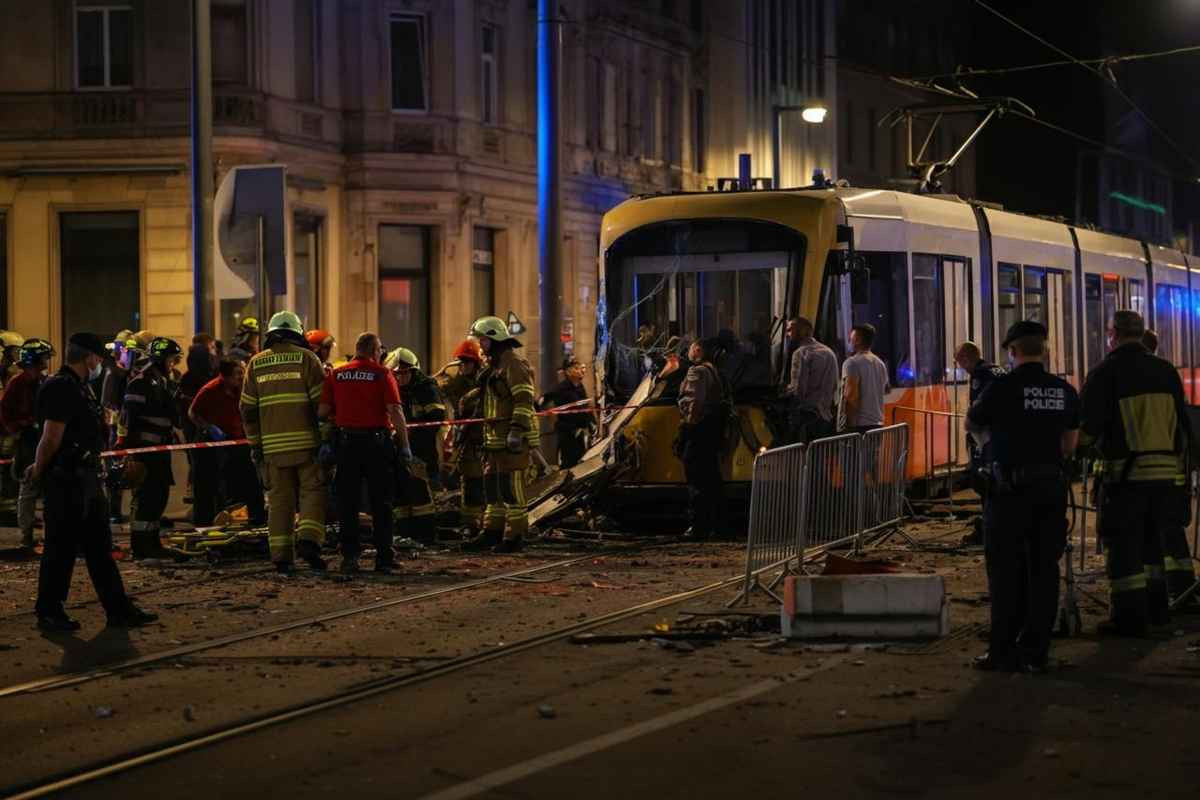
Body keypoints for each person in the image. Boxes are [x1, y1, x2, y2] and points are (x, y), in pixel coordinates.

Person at [966, 320, 1079, 672]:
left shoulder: (1001, 388)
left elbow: (972, 422)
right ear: (1045, 351)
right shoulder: (1064, 391)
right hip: (1049, 489)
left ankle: (1002, 650)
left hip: (1008, 491)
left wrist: (991, 450)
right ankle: (1036, 652)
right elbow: (1070, 444)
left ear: (1012, 352)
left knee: (1005, 572)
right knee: (1044, 570)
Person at [29, 333, 157, 631]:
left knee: (100, 548)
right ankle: (49, 611)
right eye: (99, 358)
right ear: (89, 357)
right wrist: (38, 470)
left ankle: (118, 609)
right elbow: (51, 437)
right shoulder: (61, 387)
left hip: (84, 478)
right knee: (59, 549)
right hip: (66, 480)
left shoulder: (79, 387)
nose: (101, 363)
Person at [1080, 310, 1189, 636]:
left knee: (1124, 549)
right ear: (1141, 335)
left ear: (1112, 334)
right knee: (1153, 548)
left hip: (1126, 479)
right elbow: (1182, 424)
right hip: (1165, 478)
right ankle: (1158, 611)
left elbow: (1086, 430)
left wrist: (1078, 452)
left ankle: (1128, 617)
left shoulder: (1105, 373)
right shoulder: (1167, 371)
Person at [241, 311, 328, 573]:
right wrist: (326, 439)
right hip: (307, 445)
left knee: (279, 501)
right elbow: (321, 406)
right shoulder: (307, 359)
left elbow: (247, 410)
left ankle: (281, 555)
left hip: (273, 450)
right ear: (297, 333)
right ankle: (309, 541)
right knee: (313, 493)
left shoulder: (256, 364)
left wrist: (256, 445)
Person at [319, 333, 410, 574]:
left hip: (347, 444)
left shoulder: (337, 375)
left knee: (347, 501)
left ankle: (350, 557)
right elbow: (395, 411)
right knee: (381, 502)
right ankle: (384, 557)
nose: (381, 353)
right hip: (376, 444)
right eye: (379, 349)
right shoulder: (382, 374)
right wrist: (405, 445)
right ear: (373, 350)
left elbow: (323, 410)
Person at [463, 315, 539, 553]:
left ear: (494, 339)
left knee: (511, 489)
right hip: (493, 441)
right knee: (494, 490)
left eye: (482, 340)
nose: (480, 345)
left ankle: (514, 536)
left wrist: (517, 431)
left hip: (511, 440)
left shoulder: (513, 364)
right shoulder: (494, 366)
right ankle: (492, 532)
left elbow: (524, 399)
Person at [1140, 328, 1198, 603]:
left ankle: (1153, 593)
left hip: (1140, 475)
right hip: (1173, 472)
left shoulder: (1127, 376)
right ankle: (1182, 588)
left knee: (1149, 533)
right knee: (1171, 533)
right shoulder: (1168, 374)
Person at [121, 337, 184, 559]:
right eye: (171, 359)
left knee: (159, 496)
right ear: (160, 359)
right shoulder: (142, 382)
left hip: (159, 450)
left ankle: (153, 542)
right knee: (147, 499)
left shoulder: (162, 381)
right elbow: (127, 420)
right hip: (145, 452)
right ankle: (142, 546)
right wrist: (131, 454)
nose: (173, 364)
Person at [189, 358, 267, 528]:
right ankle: (204, 524)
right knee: (208, 485)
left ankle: (257, 520)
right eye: (238, 373)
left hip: (238, 443)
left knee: (250, 483)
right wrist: (209, 428)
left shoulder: (242, 388)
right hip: (213, 446)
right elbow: (193, 413)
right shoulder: (209, 390)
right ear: (225, 376)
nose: (242, 376)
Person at [386, 346, 445, 543]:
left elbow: (436, 418)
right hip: (399, 448)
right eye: (397, 374)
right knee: (400, 494)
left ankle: (426, 537)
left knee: (420, 493)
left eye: (404, 373)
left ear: (413, 371)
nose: (400, 378)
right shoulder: (393, 388)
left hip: (422, 450)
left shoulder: (426, 387)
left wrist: (413, 444)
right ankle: (405, 535)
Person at [2, 339, 54, 548]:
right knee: (28, 490)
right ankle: (26, 535)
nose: (46, 362)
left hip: (44, 438)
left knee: (50, 491)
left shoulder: (45, 382)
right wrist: (15, 430)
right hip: (27, 442)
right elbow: (4, 411)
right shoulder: (17, 383)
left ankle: (51, 535)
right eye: (44, 358)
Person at [955, 341, 1007, 546]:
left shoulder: (980, 375)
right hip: (1004, 438)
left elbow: (978, 412)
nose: (960, 366)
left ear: (967, 358)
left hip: (988, 440)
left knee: (985, 484)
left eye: (959, 361)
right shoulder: (997, 370)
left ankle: (989, 530)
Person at [676, 337, 726, 540]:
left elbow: (693, 402)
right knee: (711, 477)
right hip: (712, 431)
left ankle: (698, 526)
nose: (688, 352)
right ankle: (716, 525)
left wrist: (688, 423)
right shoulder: (713, 370)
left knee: (696, 477)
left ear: (697, 350)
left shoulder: (696, 371)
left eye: (690, 349)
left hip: (699, 431)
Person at [439, 339, 486, 531]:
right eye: (461, 362)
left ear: (476, 363)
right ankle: (471, 523)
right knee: (470, 481)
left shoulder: (484, 381)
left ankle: (485, 521)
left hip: (484, 438)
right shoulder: (454, 384)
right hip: (466, 440)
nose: (463, 365)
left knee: (486, 482)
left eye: (467, 362)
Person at [785, 317, 838, 444]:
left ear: (800, 331)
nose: (787, 334)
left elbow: (798, 389)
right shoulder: (829, 352)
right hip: (826, 417)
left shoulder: (801, 354)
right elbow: (835, 385)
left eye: (790, 330)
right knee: (820, 458)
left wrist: (786, 392)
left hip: (806, 418)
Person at [539, 356, 593, 468]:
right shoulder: (561, 388)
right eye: (577, 368)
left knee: (580, 463)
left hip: (580, 433)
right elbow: (543, 399)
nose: (581, 370)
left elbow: (585, 407)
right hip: (567, 433)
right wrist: (537, 410)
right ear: (568, 372)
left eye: (581, 367)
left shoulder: (580, 387)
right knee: (568, 464)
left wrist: (592, 424)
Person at [838, 323, 890, 433]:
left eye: (851, 337)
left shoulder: (851, 363)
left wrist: (849, 426)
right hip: (877, 424)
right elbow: (884, 390)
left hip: (859, 425)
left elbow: (852, 396)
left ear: (858, 340)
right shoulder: (880, 364)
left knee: (854, 451)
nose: (849, 340)